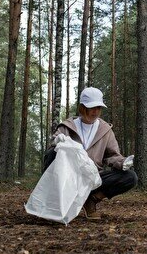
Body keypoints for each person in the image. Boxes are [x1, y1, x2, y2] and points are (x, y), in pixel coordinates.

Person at [52, 87, 138, 219]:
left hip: (93, 178)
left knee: (130, 177)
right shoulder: (67, 127)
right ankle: (58, 203)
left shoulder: (105, 130)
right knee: (50, 154)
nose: (96, 111)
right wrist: (56, 142)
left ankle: (91, 200)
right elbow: (54, 144)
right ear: (82, 107)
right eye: (92, 107)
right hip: (69, 177)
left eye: (98, 107)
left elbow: (113, 156)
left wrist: (122, 162)